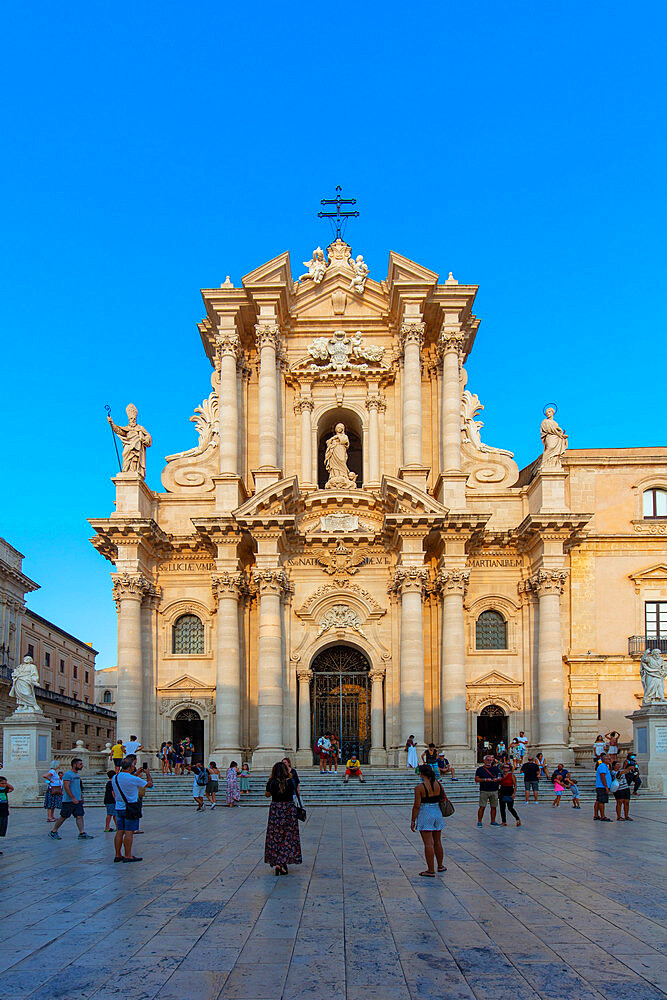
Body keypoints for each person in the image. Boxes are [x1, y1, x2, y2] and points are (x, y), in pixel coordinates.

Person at [264, 761, 302, 876]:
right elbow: (295, 792)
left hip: (276, 810)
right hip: (288, 810)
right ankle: (283, 863)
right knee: (288, 836)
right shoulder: (291, 781)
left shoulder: (271, 782)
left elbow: (267, 795)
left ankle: (277, 862)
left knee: (275, 836)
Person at [410, 764, 448, 877]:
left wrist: (413, 820)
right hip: (437, 812)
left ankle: (430, 870)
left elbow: (416, 805)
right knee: (437, 842)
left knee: (428, 843)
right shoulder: (438, 784)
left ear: (421, 774)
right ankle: (440, 865)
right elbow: (443, 798)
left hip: (425, 812)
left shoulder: (419, 788)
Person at [112, 756, 152, 863]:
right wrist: (147, 773)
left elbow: (126, 781)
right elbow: (149, 785)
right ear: (130, 767)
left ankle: (117, 855)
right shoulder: (133, 778)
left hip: (119, 807)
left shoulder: (115, 777)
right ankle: (128, 855)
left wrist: (135, 773)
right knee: (129, 832)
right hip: (131, 807)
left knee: (120, 831)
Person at [48, 758, 94, 840]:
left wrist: (81, 797)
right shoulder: (68, 774)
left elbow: (78, 787)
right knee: (63, 816)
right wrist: (72, 797)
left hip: (77, 800)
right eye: (80, 764)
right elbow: (66, 787)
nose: (82, 766)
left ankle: (82, 833)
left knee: (79, 816)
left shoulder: (77, 775)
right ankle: (53, 831)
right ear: (74, 765)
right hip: (68, 800)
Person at [476, 755, 501, 827]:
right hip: (484, 790)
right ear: (484, 761)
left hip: (494, 790)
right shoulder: (480, 769)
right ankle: (479, 821)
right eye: (487, 760)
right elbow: (476, 779)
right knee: (482, 806)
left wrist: (498, 779)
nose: (489, 761)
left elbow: (500, 777)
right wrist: (485, 780)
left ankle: (493, 821)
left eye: (490, 760)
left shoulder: (495, 769)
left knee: (494, 806)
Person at [594, 753, 613, 821]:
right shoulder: (602, 766)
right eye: (608, 759)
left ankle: (596, 815)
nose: (610, 760)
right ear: (604, 759)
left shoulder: (605, 766)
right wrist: (606, 786)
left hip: (600, 786)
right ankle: (602, 816)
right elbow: (602, 776)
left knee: (598, 800)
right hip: (602, 786)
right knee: (602, 801)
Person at [0, 775, 14, 853]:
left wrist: (6, 783)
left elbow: (12, 788)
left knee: (1, 831)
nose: (4, 785)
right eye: (2, 783)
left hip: (4, 812)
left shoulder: (5, 790)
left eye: (5, 783)